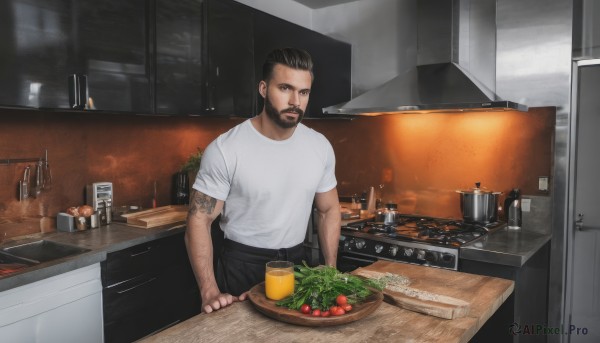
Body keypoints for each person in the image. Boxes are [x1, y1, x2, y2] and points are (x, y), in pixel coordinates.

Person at [185, 47, 341, 314]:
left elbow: (329, 209)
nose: (295, 101)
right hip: (241, 266)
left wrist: (330, 269)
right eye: (285, 88)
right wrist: (209, 290)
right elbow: (199, 219)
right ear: (263, 88)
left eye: (303, 92)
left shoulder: (319, 146)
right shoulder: (226, 149)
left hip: (295, 266)